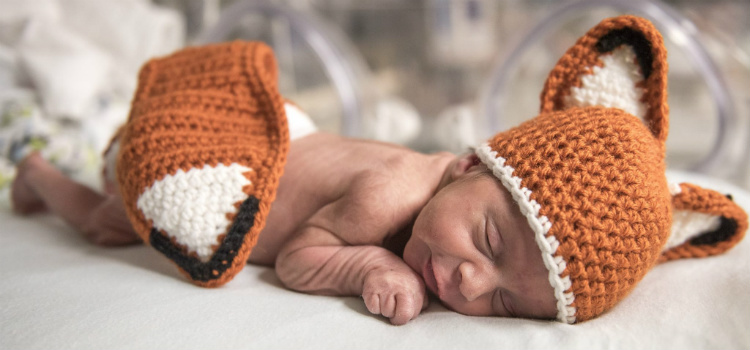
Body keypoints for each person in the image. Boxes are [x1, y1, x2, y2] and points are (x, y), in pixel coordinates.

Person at [10, 16, 747, 326]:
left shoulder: (447, 215)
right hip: (207, 150)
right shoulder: (392, 193)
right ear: (464, 164)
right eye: (487, 240)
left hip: (298, 142)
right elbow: (299, 256)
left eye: (501, 305)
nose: (467, 283)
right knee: (112, 222)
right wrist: (365, 270)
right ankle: (39, 172)